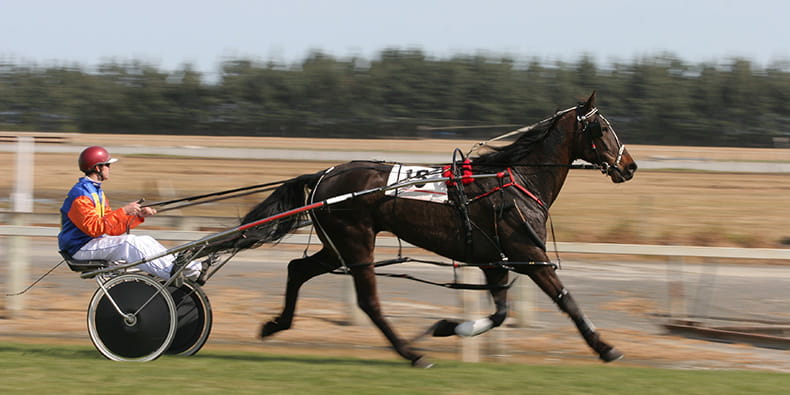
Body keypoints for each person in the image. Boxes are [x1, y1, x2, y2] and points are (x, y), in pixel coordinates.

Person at [58, 145, 201, 280]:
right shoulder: (81, 195)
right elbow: (95, 228)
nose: (110, 168)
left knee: (145, 239)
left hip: (92, 243)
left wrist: (137, 216)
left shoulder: (96, 192)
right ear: (97, 168)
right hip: (79, 249)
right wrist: (124, 210)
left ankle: (192, 268)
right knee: (129, 243)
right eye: (107, 165)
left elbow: (111, 228)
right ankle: (172, 274)